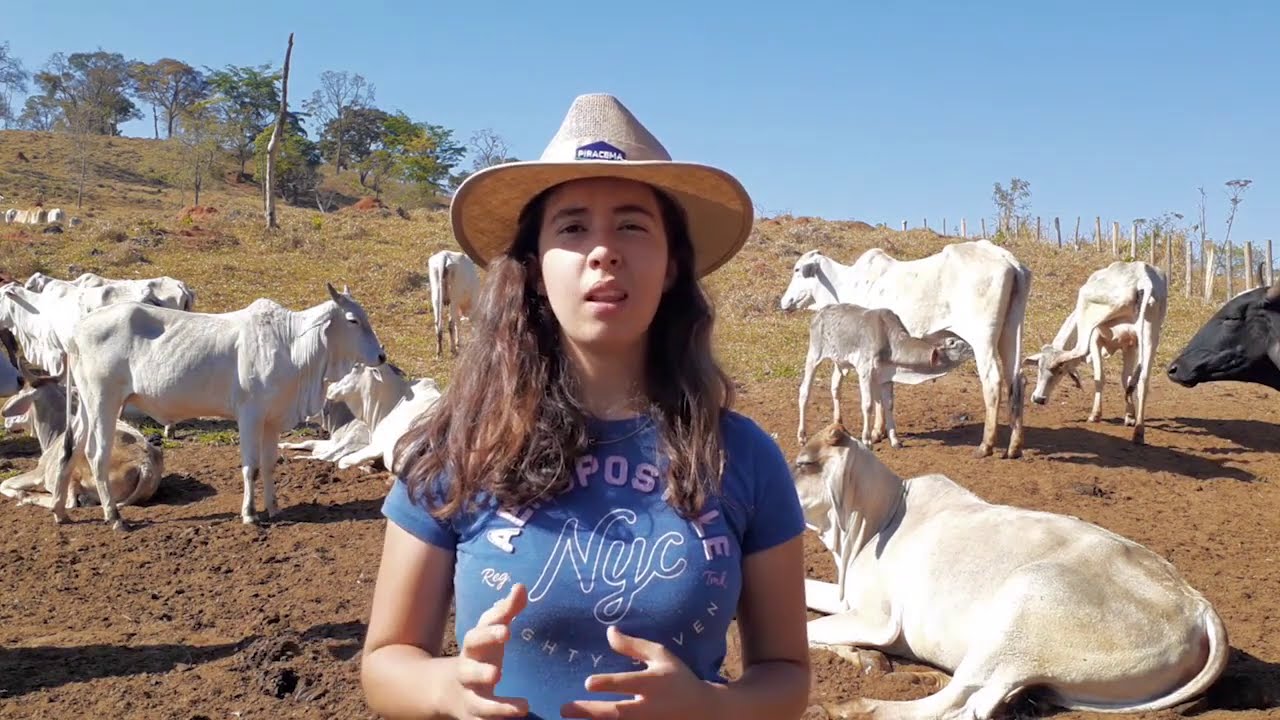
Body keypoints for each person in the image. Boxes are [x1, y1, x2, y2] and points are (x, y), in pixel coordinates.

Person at [360, 93, 811, 720]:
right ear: (537, 269)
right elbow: (386, 660)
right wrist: (442, 688)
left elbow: (786, 677)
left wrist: (707, 707)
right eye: (572, 227)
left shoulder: (744, 457)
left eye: (632, 224)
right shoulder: (456, 448)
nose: (604, 250)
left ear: (673, 265)